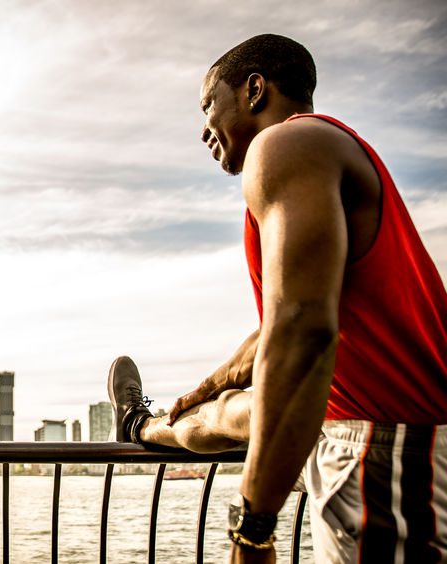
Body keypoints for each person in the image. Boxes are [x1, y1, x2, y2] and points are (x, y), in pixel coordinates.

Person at [108, 34, 447, 564]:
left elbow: (302, 329)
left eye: (208, 105)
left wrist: (254, 527)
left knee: (238, 411)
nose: (204, 130)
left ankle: (146, 424)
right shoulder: (324, 149)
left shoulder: (286, 145)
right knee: (217, 414)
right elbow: (290, 322)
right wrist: (211, 382)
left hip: (387, 448)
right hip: (379, 439)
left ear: (254, 89)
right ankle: (140, 424)